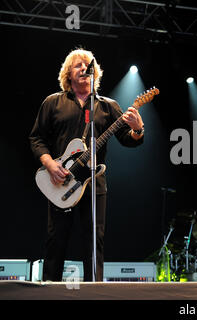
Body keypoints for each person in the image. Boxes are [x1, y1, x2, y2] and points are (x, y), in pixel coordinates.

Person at [29, 48, 145, 282]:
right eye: (77, 65)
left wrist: (138, 129)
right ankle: (50, 291)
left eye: (87, 65)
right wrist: (50, 164)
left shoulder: (108, 106)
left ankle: (96, 292)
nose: (83, 68)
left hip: (93, 183)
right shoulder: (53, 102)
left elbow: (127, 139)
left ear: (95, 72)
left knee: (94, 240)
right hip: (60, 180)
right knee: (56, 240)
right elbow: (36, 138)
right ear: (68, 74)